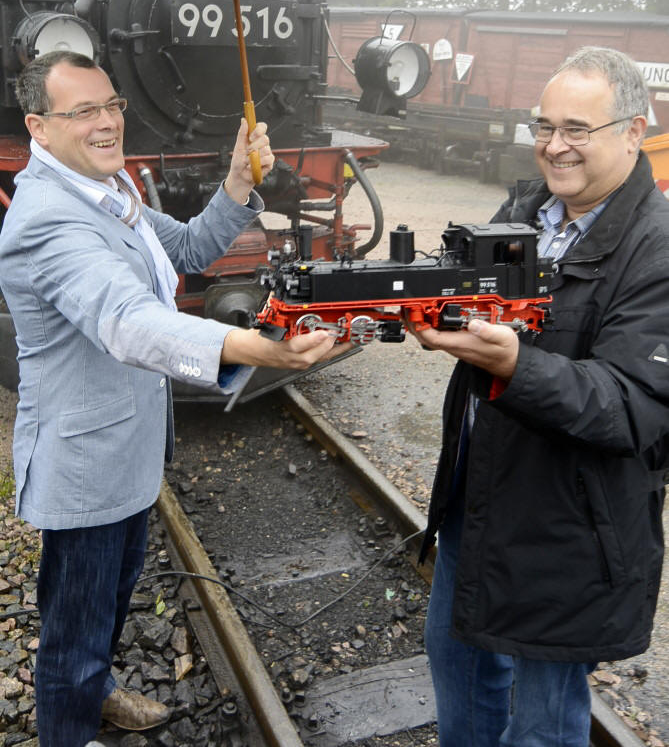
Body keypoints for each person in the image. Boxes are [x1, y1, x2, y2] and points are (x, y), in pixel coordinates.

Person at [0, 50, 345, 747]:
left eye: (112, 104)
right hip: (84, 461)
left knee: (112, 595)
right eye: (84, 111)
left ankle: (95, 689)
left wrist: (236, 181)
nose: (106, 123)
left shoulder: (108, 186)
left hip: (123, 447)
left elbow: (187, 250)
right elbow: (128, 321)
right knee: (75, 620)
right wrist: (258, 348)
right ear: (38, 124)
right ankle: (67, 731)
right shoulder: (47, 218)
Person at [412, 47, 669, 747]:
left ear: (631, 130)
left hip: (572, 529)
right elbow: (464, 290)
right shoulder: (526, 206)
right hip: (479, 495)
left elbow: (630, 405)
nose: (554, 145)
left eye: (576, 129)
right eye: (543, 125)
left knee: (544, 720)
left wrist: (513, 364)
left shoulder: (657, 247)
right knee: (457, 663)